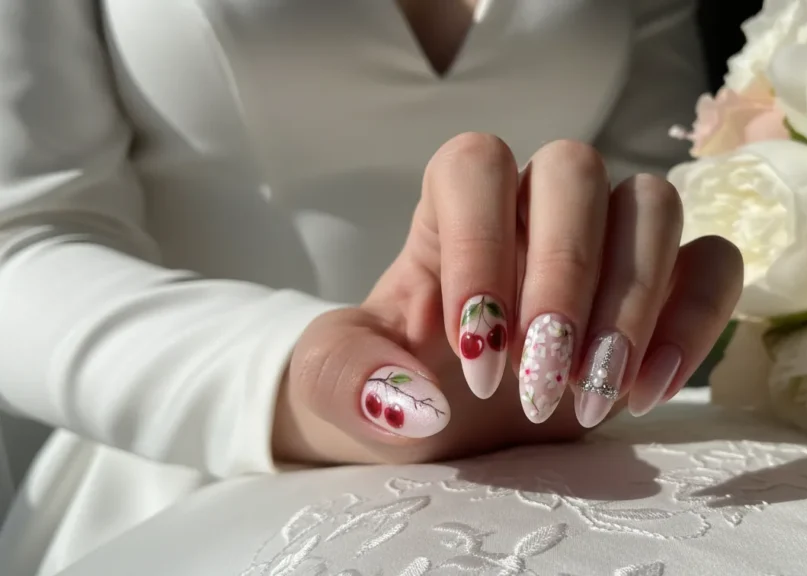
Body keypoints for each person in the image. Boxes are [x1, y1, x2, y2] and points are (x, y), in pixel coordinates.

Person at [0, 1, 742, 574]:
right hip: (186, 449)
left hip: (547, 455)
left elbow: (655, 183)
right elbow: (21, 241)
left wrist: (618, 293)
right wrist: (294, 377)